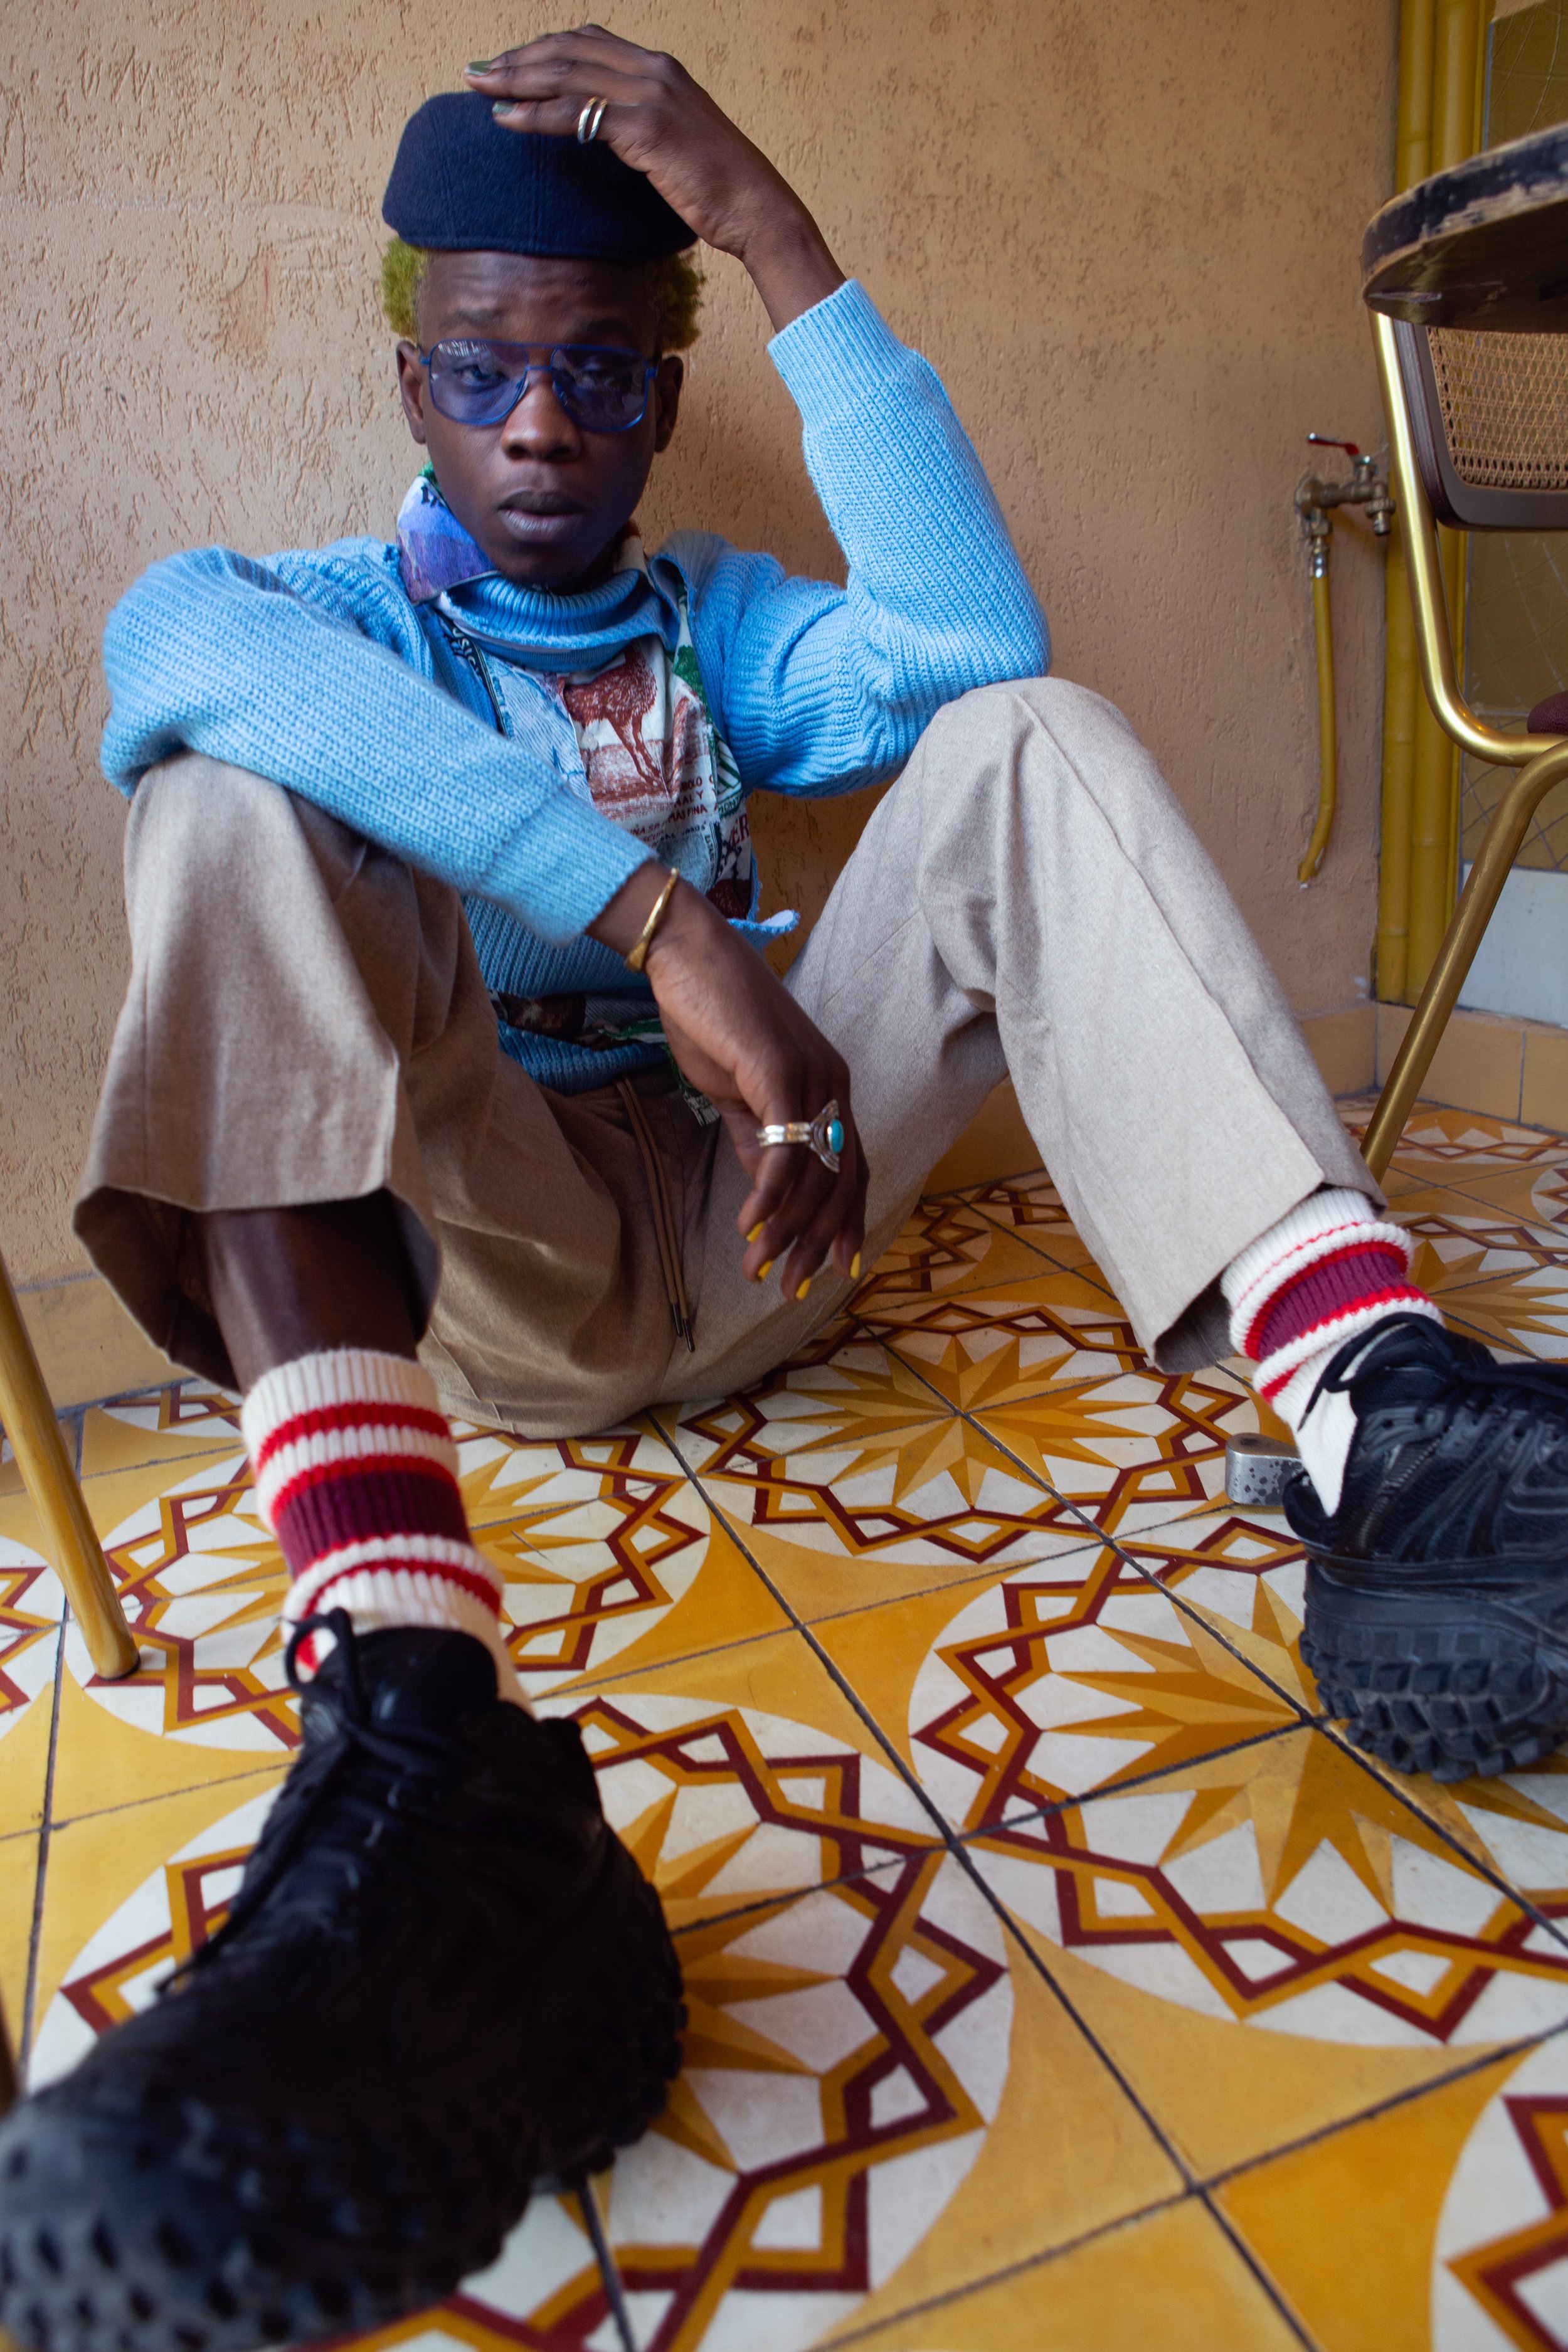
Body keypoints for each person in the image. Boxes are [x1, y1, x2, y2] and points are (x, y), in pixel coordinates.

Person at [5, 28, 1568, 2349]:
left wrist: (778, 228)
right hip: (510, 1272)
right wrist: (666, 929)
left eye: (610, 379)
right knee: (224, 789)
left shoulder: (718, 623)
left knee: (1030, 734)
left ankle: (1382, 1420)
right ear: (410, 376)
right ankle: (422, 1738)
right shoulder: (320, 612)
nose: (542, 428)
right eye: (481, 373)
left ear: (664, 384)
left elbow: (970, 652)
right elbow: (166, 652)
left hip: (778, 1236)